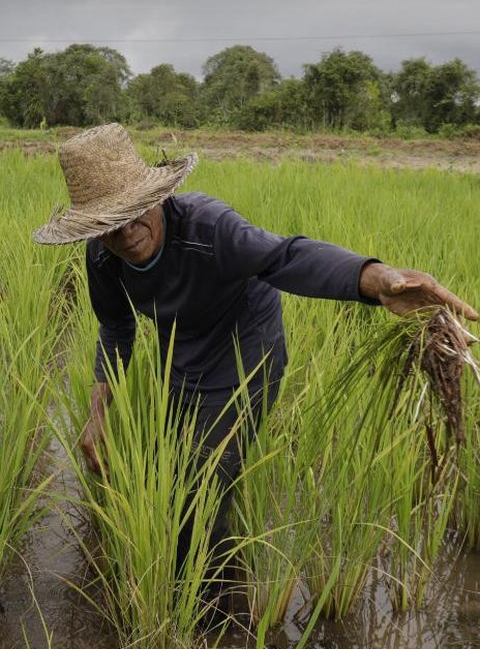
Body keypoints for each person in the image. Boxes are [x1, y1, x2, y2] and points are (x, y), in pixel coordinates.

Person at [34, 123, 478, 605]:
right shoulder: (102, 256)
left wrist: (377, 279)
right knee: (179, 460)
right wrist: (99, 412)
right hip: (181, 355)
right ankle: (204, 571)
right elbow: (116, 328)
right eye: (107, 224)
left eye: (134, 212)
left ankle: (206, 612)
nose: (125, 231)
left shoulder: (208, 228)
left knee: (198, 492)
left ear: (155, 196)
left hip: (248, 353)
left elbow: (287, 257)